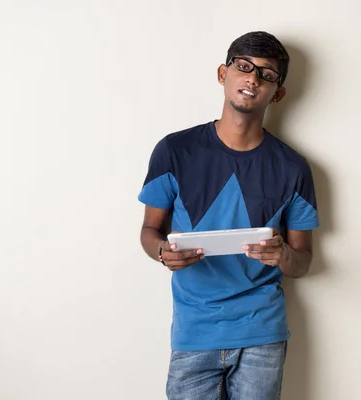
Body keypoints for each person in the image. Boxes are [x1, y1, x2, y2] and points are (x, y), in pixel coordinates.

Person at [137, 31, 319, 400]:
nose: (253, 79)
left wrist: (284, 256)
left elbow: (303, 260)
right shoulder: (174, 151)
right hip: (194, 331)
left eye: (266, 74)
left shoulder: (293, 168)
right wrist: (162, 252)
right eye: (244, 67)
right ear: (224, 74)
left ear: (278, 92)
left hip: (262, 333)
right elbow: (150, 230)